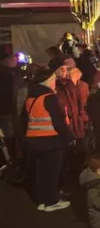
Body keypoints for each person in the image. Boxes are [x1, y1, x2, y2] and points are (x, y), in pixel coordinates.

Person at [24, 67, 74, 212]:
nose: (54, 83)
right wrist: (69, 137)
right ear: (47, 81)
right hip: (51, 140)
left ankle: (42, 200)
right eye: (53, 80)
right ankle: (52, 201)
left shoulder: (31, 97)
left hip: (34, 141)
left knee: (41, 172)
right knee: (52, 172)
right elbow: (58, 122)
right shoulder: (49, 97)